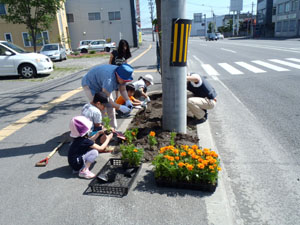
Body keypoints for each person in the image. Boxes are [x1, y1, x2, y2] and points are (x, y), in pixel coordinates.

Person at [81, 64, 134, 129]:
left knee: (111, 109)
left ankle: (113, 130)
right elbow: (107, 99)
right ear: (118, 75)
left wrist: (127, 100)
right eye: (124, 80)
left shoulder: (122, 75)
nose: (125, 82)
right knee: (101, 109)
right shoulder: (109, 80)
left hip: (102, 84)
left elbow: (123, 89)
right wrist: (119, 107)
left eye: (127, 81)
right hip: (91, 84)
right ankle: (102, 131)